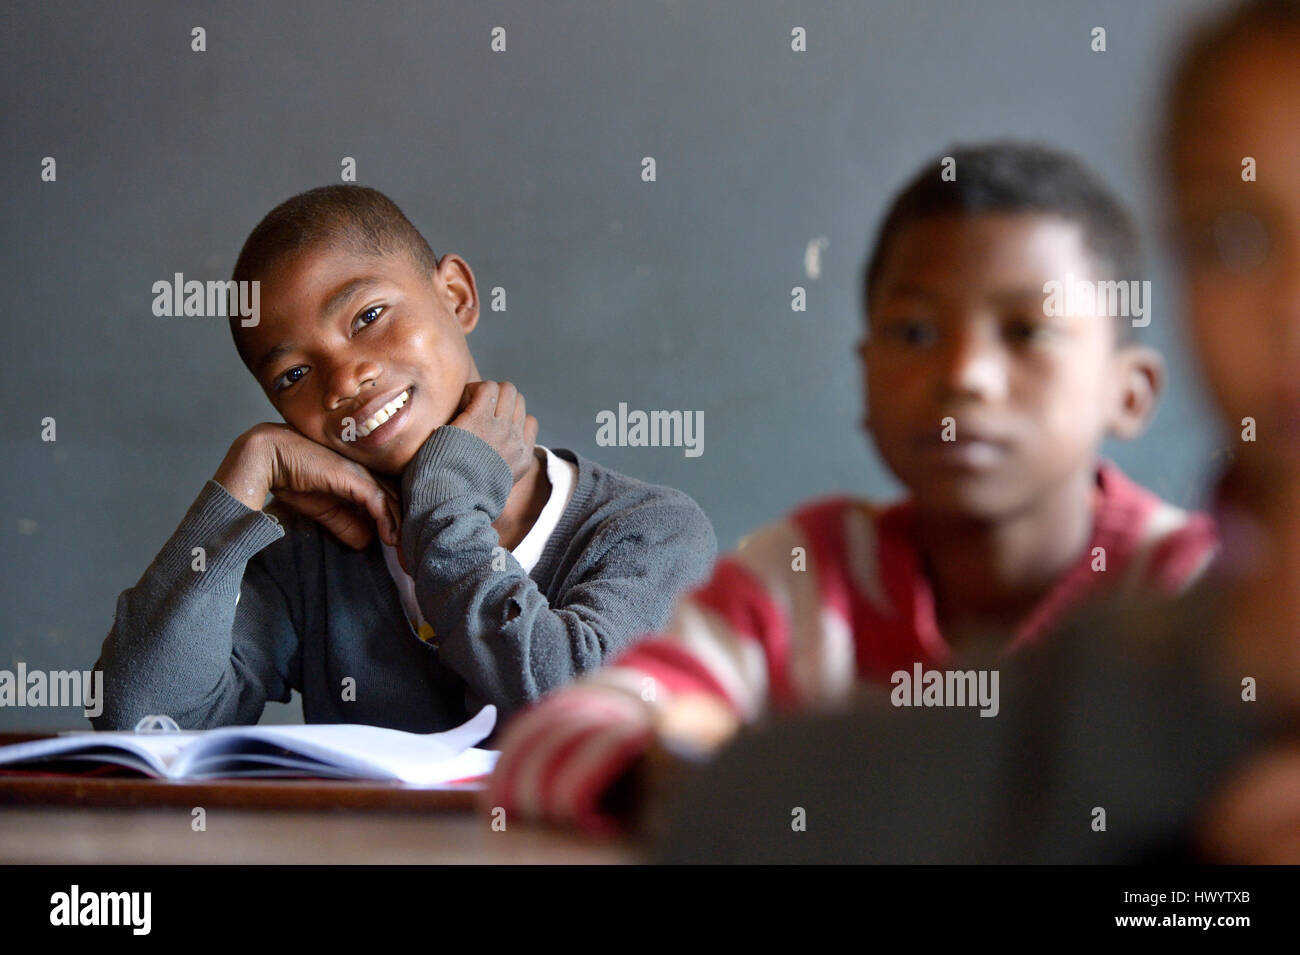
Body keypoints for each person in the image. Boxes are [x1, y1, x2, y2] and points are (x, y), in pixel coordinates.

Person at [653, 0, 1300, 864]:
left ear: (1131, 390)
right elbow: (730, 816)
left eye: (1026, 333)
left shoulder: (1157, 568)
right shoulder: (1181, 645)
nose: (1290, 306)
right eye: (1237, 237)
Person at [485, 142, 1217, 834]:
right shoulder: (807, 576)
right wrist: (680, 771)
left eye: (1025, 331)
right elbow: (545, 748)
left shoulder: (1192, 589)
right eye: (916, 333)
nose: (965, 374)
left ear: (1128, 392)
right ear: (865, 377)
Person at [92, 185, 716, 733]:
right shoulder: (309, 560)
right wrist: (243, 477)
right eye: (294, 374)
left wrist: (446, 497)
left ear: (457, 295)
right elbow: (142, 720)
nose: (343, 379)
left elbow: (575, 717)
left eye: (367, 316)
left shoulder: (649, 530)